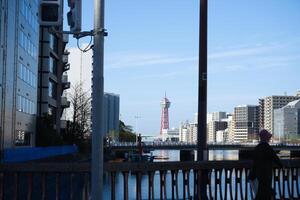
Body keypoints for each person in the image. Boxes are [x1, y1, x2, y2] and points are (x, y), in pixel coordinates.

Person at [249, 129, 283, 200]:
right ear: (266, 138)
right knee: (265, 193)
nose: (269, 139)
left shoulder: (256, 148)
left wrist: (252, 175)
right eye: (269, 137)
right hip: (266, 175)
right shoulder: (268, 148)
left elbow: (254, 163)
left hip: (257, 175)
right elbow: (276, 159)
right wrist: (282, 166)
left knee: (260, 194)